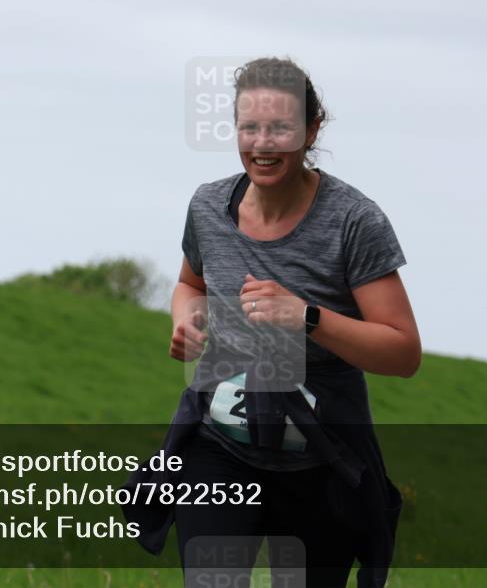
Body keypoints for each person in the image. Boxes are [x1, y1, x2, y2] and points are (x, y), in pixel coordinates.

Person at [120, 56, 421, 588]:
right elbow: (191, 283)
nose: (264, 143)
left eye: (281, 128)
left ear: (311, 129)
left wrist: (306, 316)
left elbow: (402, 352)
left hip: (320, 462)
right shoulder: (209, 205)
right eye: (250, 127)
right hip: (218, 450)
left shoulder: (354, 221)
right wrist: (187, 319)